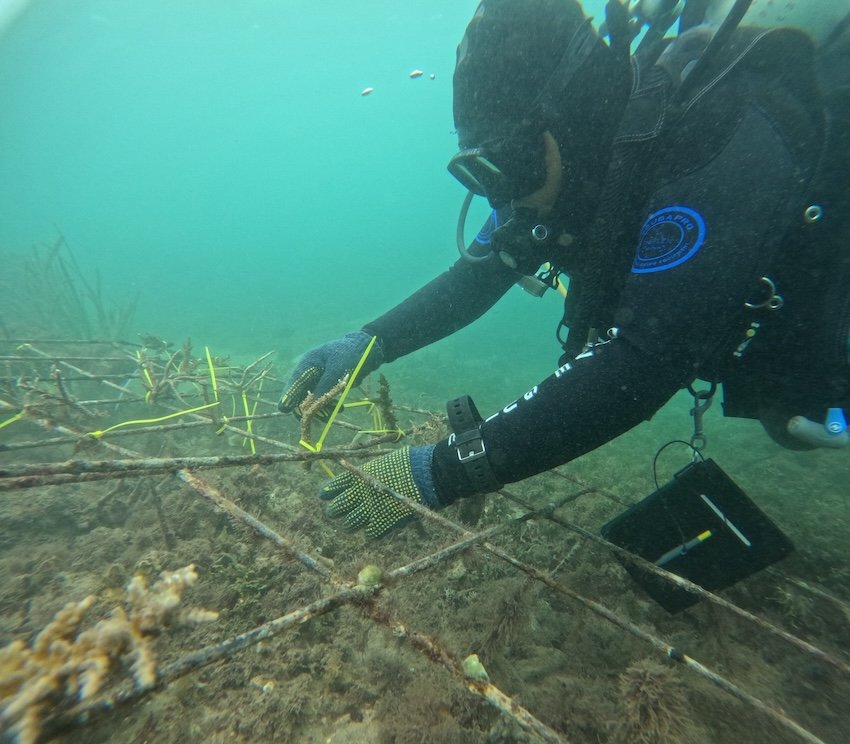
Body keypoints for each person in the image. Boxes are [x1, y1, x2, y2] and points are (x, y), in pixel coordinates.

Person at [280, 0, 850, 538]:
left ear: (574, 117)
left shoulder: (718, 138)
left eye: (514, 164)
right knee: (792, 416)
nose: (505, 199)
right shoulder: (560, 177)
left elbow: (648, 361)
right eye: (484, 171)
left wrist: (447, 470)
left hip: (809, 320)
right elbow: (481, 272)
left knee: (803, 413)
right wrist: (370, 342)